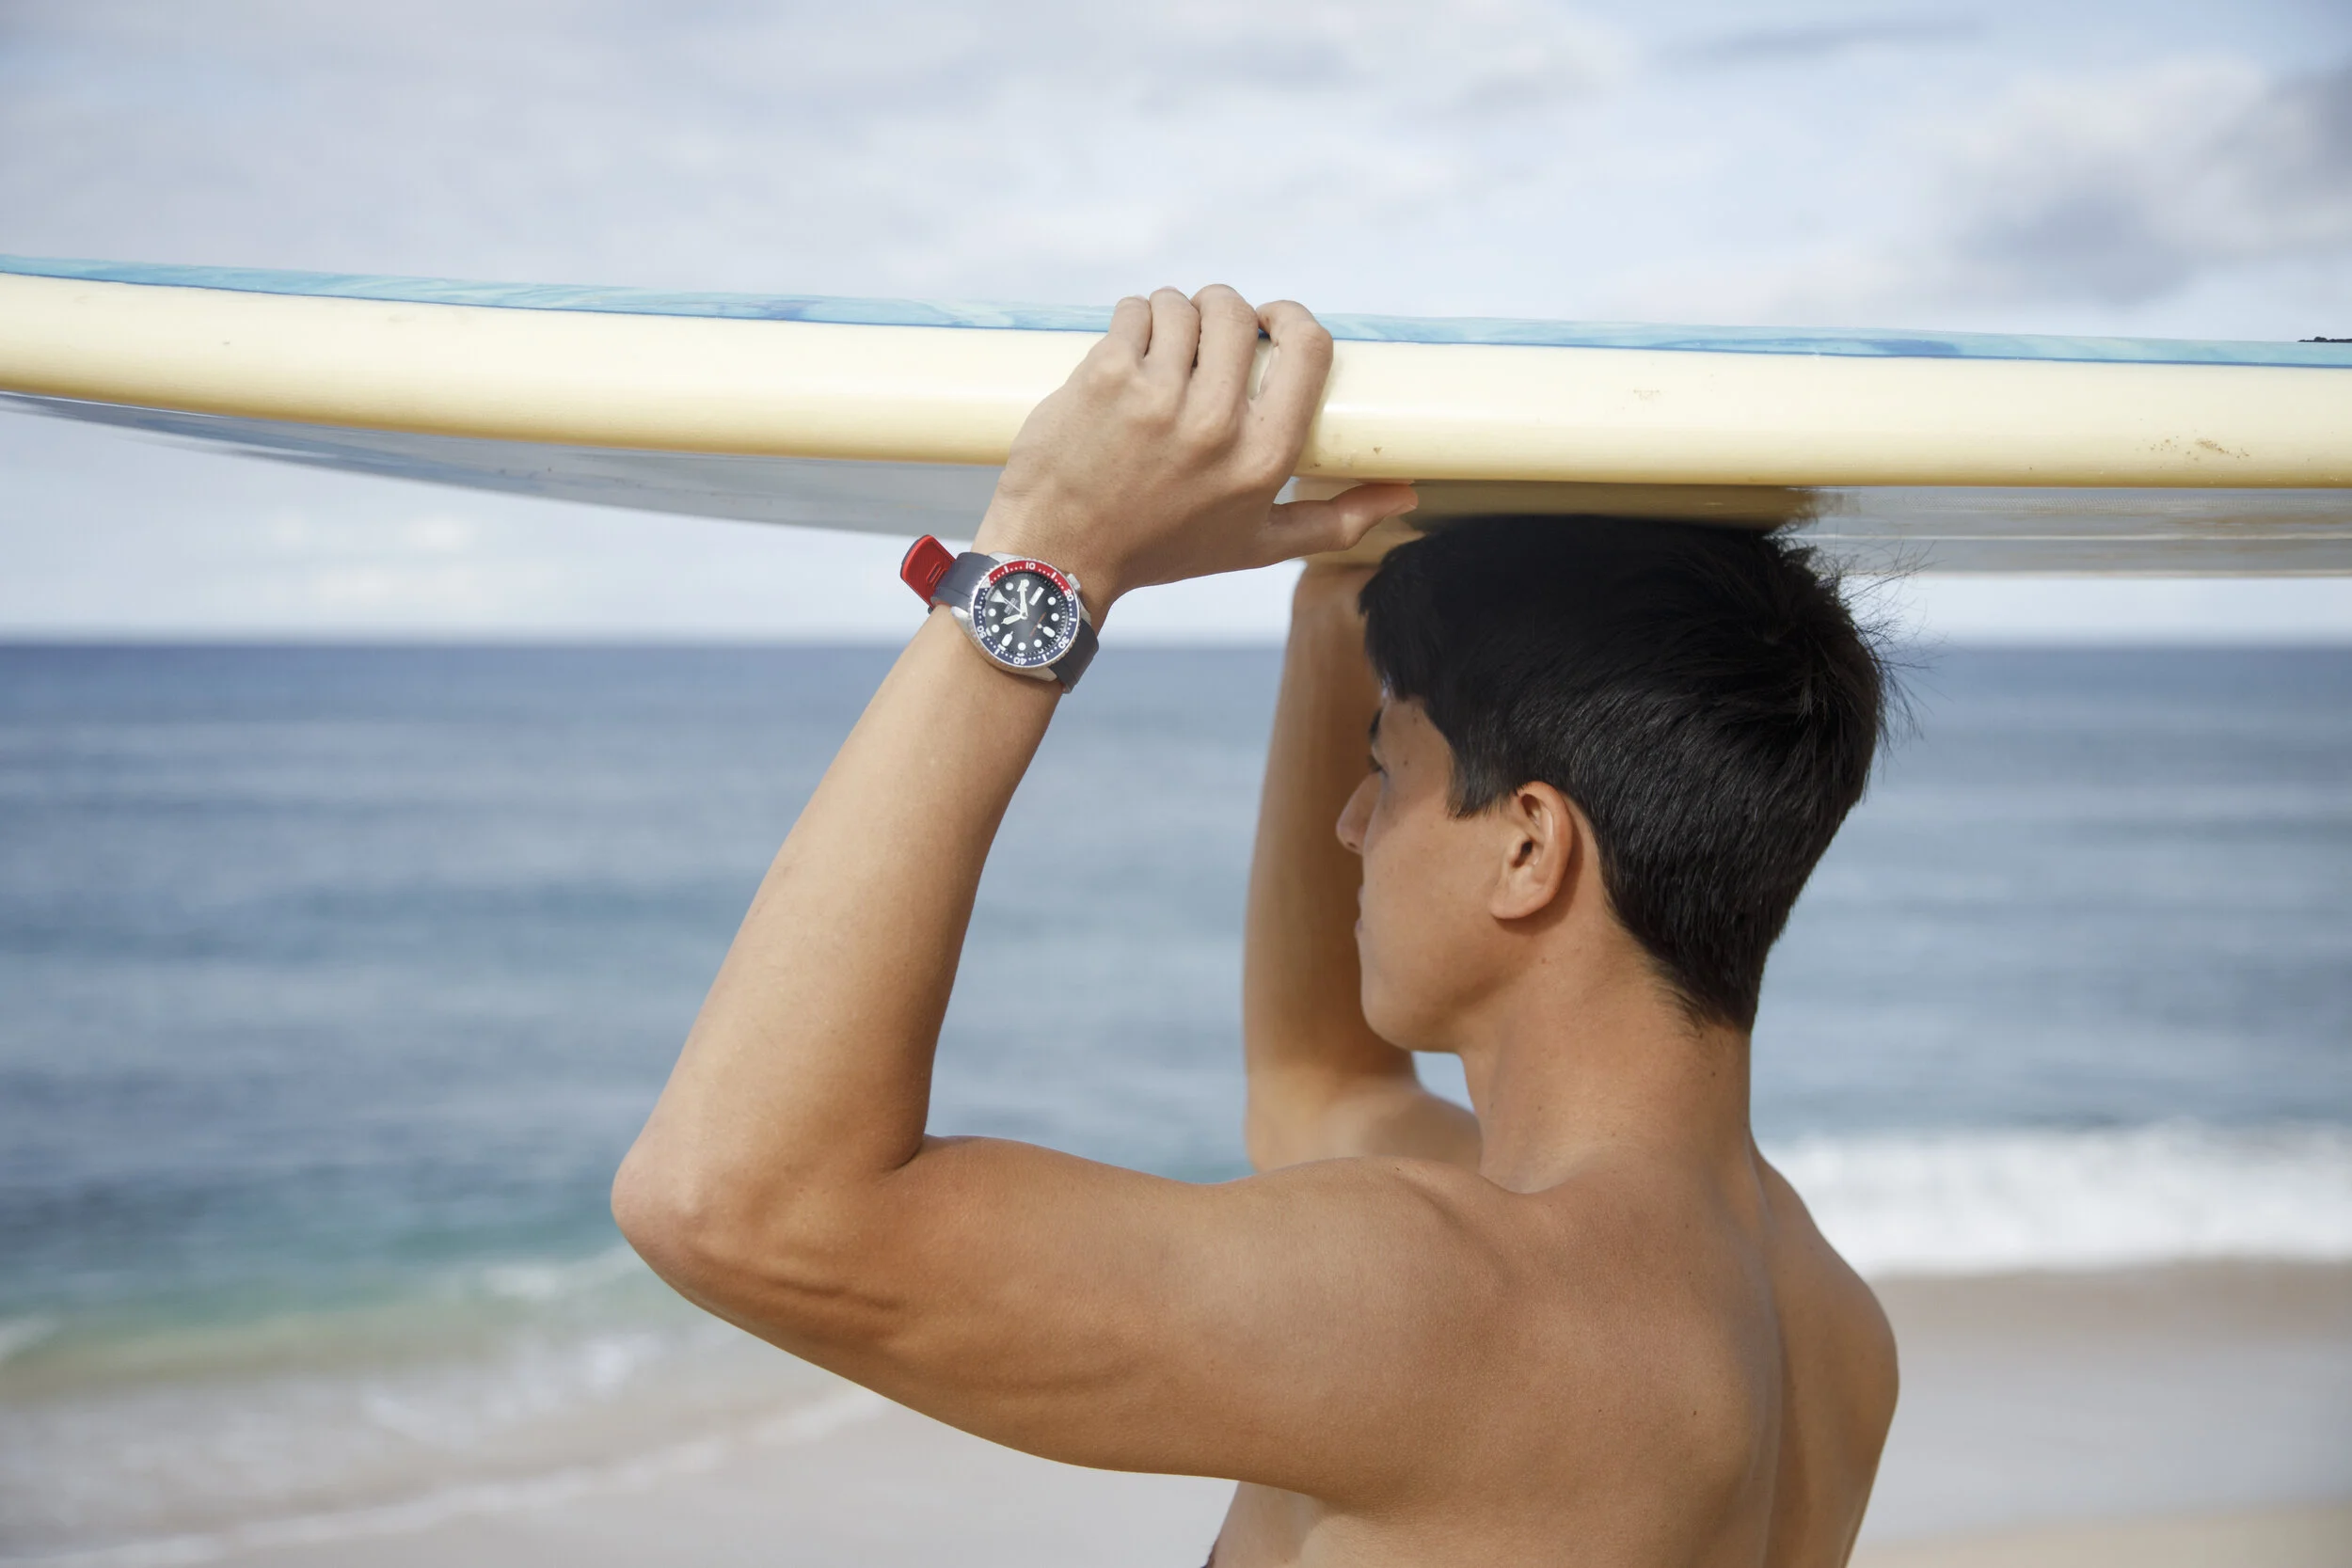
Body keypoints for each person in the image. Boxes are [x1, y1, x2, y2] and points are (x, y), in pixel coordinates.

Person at [613, 285, 1899, 1566]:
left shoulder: (1457, 1308)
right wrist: (1338, 579)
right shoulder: (1827, 1328)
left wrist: (1048, 557)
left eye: (1384, 773)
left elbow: (736, 1201)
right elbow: (1312, 1086)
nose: (1350, 825)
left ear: (1527, 846)